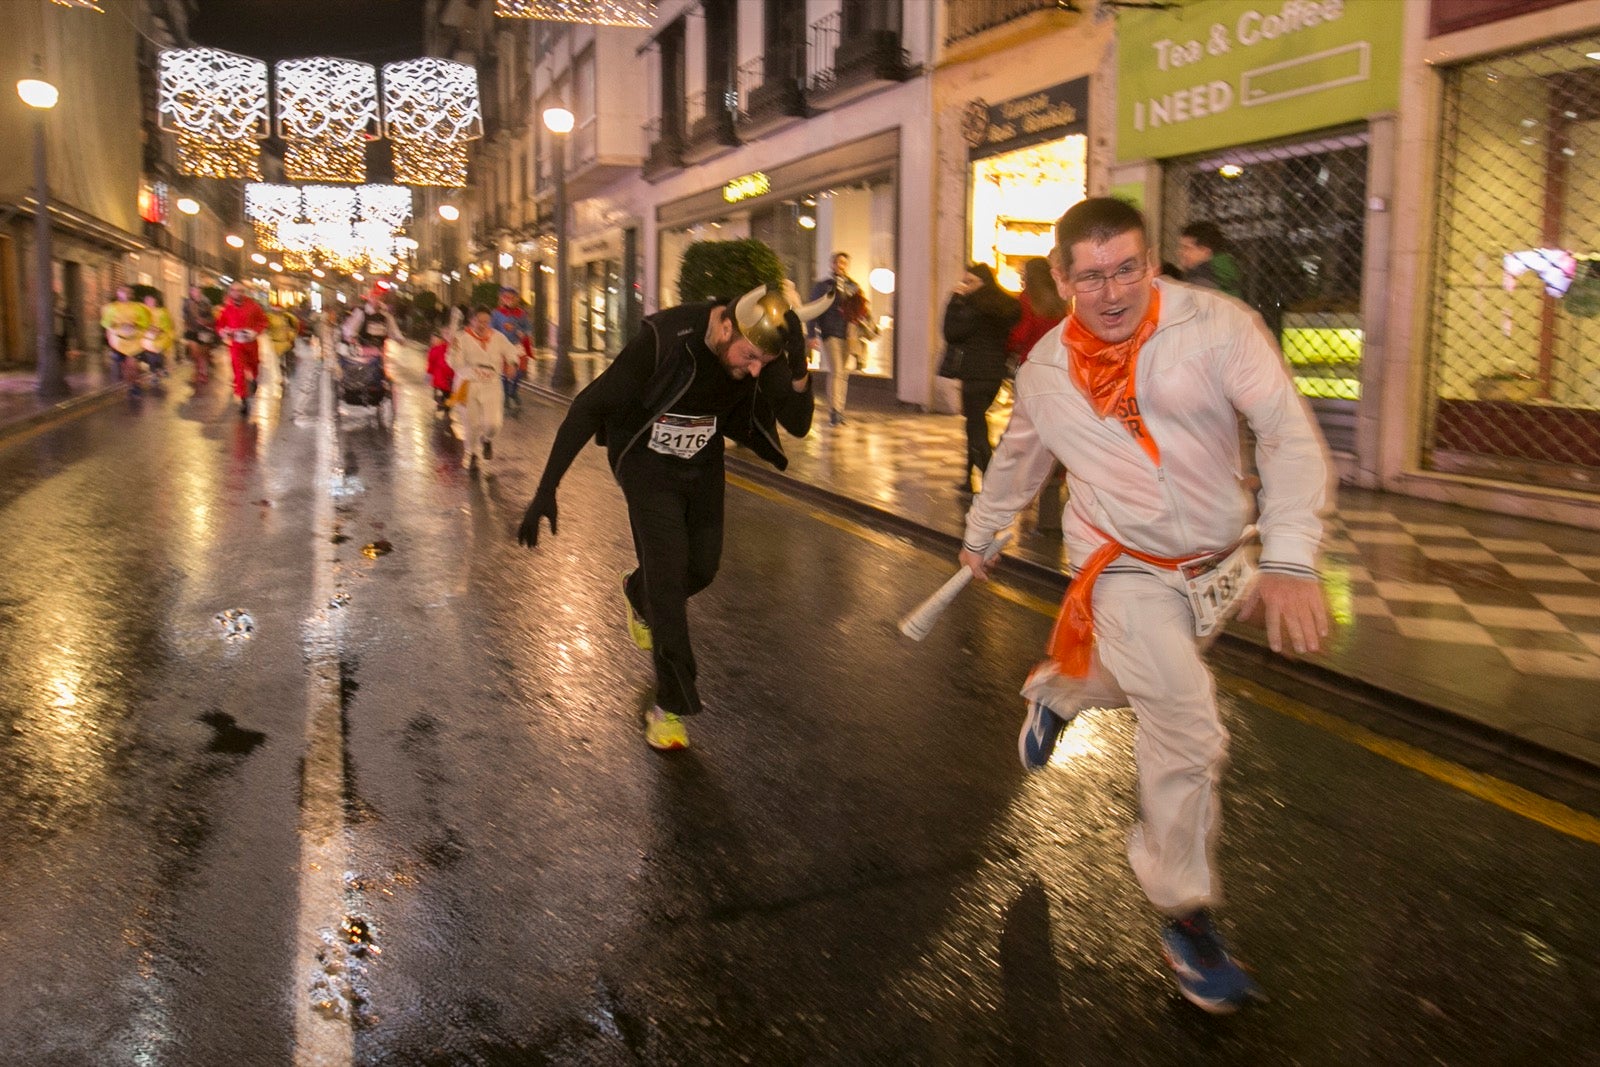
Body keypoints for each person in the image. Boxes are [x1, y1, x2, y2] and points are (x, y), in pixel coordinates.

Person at [958, 197, 1331, 1013]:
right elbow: (1022, 456)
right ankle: (1186, 915)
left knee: (1136, 682)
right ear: (1062, 280)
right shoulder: (1049, 368)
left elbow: (1285, 433)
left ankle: (1059, 689)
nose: (1113, 290)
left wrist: (1292, 553)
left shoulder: (1218, 326)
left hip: (1216, 562)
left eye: (1127, 267)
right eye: (1090, 275)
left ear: (1152, 260)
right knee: (1187, 721)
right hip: (1118, 561)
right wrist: (984, 530)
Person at [516, 281, 827, 751]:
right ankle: (671, 706)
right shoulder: (664, 339)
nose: (755, 369)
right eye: (748, 357)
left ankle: (635, 590)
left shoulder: (760, 344)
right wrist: (546, 489)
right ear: (725, 324)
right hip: (646, 462)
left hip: (700, 463)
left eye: (763, 362)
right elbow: (589, 407)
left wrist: (799, 367)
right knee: (668, 581)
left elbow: (798, 424)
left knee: (702, 567)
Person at [942, 263, 1020, 493]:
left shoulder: (971, 305)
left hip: (974, 373)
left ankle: (991, 478)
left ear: (982, 282)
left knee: (975, 426)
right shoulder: (1007, 304)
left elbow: (951, 333)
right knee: (975, 423)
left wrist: (954, 301)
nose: (965, 286)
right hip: (995, 374)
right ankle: (968, 478)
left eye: (970, 282)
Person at [806, 252, 871, 426]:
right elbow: (814, 310)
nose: (841, 265)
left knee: (844, 373)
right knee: (837, 371)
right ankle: (834, 411)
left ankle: (840, 411)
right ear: (832, 265)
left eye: (844, 263)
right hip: (830, 333)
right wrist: (811, 334)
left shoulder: (853, 286)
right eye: (838, 262)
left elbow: (862, 309)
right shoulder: (824, 286)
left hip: (848, 335)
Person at [448, 307, 517, 468]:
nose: (483, 325)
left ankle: (486, 439)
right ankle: (472, 453)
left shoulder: (498, 337)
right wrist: (453, 349)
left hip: (492, 383)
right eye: (479, 321)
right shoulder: (462, 338)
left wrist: (512, 364)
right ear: (472, 320)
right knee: (471, 423)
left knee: (493, 423)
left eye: (486, 321)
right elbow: (455, 364)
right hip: (468, 384)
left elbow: (510, 351)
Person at [214, 282, 269, 416]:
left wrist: (254, 332)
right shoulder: (227, 309)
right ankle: (243, 399)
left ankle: (255, 380)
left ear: (243, 292)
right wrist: (224, 332)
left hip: (250, 343)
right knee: (238, 371)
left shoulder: (253, 306)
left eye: (240, 291)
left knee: (254, 366)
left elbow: (263, 321)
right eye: (234, 290)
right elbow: (220, 325)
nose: (237, 293)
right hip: (236, 345)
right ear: (230, 292)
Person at [1008, 256, 1068, 368]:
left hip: (1031, 357)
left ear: (1028, 277)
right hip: (1055, 359)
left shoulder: (1027, 298)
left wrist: (1009, 343)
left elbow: (1023, 333)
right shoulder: (1059, 298)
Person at [491, 287, 533, 412]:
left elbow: (528, 327)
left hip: (517, 346)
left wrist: (524, 333)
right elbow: (491, 328)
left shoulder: (521, 313)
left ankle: (513, 391)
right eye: (506, 297)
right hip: (502, 346)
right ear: (502, 299)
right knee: (504, 372)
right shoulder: (496, 313)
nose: (509, 300)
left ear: (516, 299)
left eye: (512, 297)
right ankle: (505, 396)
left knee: (520, 371)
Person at [100, 285, 150, 391]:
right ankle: (132, 385)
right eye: (121, 291)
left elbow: (145, 322)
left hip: (134, 340)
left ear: (131, 294)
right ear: (118, 294)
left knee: (132, 364)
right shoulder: (111, 308)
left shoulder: (138, 307)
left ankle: (135, 384)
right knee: (125, 367)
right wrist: (110, 336)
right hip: (119, 341)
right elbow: (106, 324)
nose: (124, 294)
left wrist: (135, 325)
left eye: (127, 292)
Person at [1176, 221, 1244, 299]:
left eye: (1187, 248)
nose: (1180, 253)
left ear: (1205, 251)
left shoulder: (1201, 281)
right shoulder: (1226, 273)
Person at [182, 285, 216, 384]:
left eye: (196, 291)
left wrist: (204, 321)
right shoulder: (187, 303)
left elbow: (212, 318)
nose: (193, 293)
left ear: (200, 291)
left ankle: (203, 372)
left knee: (203, 353)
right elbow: (184, 316)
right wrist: (186, 326)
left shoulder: (206, 302)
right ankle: (197, 371)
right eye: (192, 291)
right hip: (192, 331)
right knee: (194, 353)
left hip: (204, 331)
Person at [138, 292, 175, 384]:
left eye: (151, 300)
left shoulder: (162, 312)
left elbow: (168, 325)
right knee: (150, 356)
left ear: (155, 302)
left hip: (160, 338)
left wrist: (160, 330)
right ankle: (155, 373)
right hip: (147, 338)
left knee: (157, 355)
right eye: (147, 301)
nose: (149, 303)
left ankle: (160, 369)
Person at [425, 328, 455, 416]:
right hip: (440, 378)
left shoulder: (449, 348)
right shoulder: (436, 349)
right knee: (440, 395)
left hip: (449, 378)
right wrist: (429, 374)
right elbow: (431, 363)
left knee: (448, 396)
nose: (433, 340)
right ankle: (443, 406)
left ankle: (446, 409)